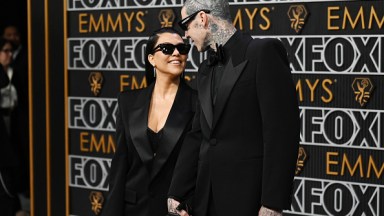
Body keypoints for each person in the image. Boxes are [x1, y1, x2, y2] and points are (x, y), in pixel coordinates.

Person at [167, 1, 300, 216]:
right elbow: (198, 134)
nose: (186, 35)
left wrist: (273, 202)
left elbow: (281, 133)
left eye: (186, 25)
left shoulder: (262, 52)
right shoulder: (204, 69)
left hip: (248, 199)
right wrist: (177, 192)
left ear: (202, 18)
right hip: (205, 199)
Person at [101, 27, 197, 216]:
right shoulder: (127, 102)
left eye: (182, 48)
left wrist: (190, 205)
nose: (177, 53)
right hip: (132, 209)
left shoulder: (198, 103)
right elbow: (120, 164)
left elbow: (203, 166)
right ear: (151, 58)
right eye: (167, 49)